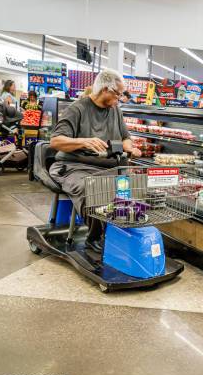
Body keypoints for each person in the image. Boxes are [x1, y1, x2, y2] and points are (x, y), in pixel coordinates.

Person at [49, 68, 142, 254]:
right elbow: (55, 141)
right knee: (92, 189)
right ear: (105, 89)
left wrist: (130, 147)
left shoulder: (115, 110)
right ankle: (95, 238)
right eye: (118, 94)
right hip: (75, 166)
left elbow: (125, 137)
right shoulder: (77, 109)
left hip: (108, 166)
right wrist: (83, 141)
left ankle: (123, 234)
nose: (119, 99)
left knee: (136, 187)